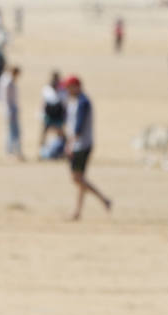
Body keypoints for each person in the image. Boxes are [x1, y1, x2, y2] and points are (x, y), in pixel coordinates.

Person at [60, 76, 111, 220]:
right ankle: (78, 212)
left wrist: (69, 144)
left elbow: (78, 127)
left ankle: (103, 199)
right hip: (80, 144)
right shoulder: (76, 101)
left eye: (68, 87)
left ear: (76, 86)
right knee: (80, 178)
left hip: (81, 145)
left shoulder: (83, 102)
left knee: (76, 178)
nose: (67, 90)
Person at [0, 63, 20, 159]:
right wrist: (8, 110)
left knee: (12, 131)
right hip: (10, 109)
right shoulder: (7, 81)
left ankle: (12, 151)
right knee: (13, 131)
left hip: (11, 108)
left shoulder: (6, 80)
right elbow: (5, 98)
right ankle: (11, 151)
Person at [40, 70, 64, 145]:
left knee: (60, 132)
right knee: (44, 132)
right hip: (48, 114)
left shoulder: (62, 89)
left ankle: (62, 148)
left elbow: (64, 102)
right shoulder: (47, 89)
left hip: (58, 114)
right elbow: (43, 102)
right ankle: (41, 148)